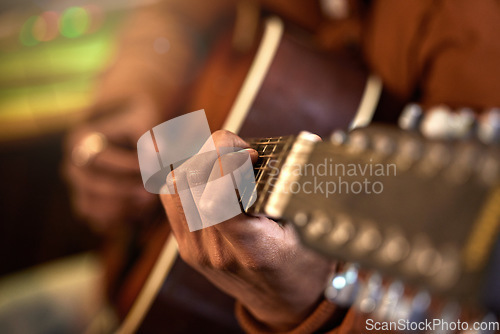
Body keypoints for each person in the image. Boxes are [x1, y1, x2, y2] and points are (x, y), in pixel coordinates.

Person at [63, 0, 500, 332]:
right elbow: (169, 17)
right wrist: (132, 99)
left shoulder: (471, 31)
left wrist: (309, 308)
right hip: (121, 273)